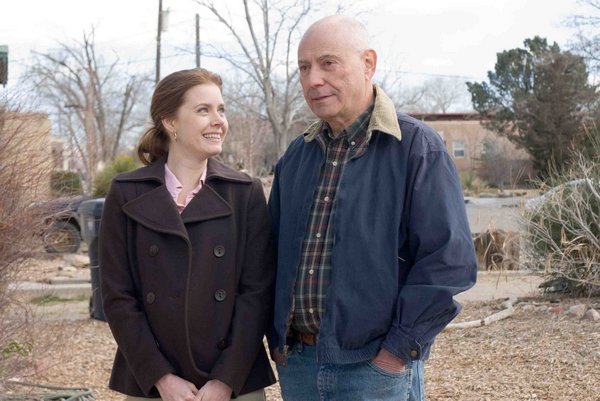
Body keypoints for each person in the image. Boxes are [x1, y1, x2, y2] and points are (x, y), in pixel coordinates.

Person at [268, 15, 477, 401]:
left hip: (374, 371)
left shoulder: (415, 147)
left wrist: (396, 352)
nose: (313, 80)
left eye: (328, 63)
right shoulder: (296, 156)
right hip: (298, 367)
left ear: (368, 64)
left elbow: (449, 261)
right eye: (304, 67)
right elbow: (271, 258)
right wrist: (278, 339)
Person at [99, 68, 276, 401]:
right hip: (152, 381)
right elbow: (117, 296)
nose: (219, 121)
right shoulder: (126, 192)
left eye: (221, 109)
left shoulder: (244, 192)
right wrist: (162, 378)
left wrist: (225, 380)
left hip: (234, 381)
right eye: (203, 110)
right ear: (170, 122)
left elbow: (257, 294)